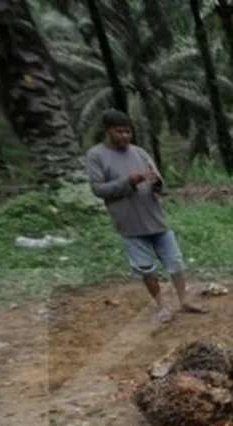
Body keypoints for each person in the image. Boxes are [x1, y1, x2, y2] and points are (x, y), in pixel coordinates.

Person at [85, 109, 206, 323]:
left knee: (175, 262)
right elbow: (98, 189)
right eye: (119, 132)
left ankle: (184, 301)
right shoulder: (96, 156)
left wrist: (157, 183)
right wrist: (128, 181)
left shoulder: (139, 153)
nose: (125, 136)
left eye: (128, 131)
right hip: (129, 223)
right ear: (107, 131)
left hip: (155, 218)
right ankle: (162, 307)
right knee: (146, 268)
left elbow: (157, 178)